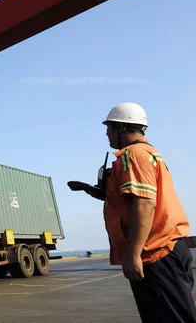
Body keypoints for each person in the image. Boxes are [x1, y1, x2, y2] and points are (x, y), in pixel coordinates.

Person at [68, 102, 196, 322]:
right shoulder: (147, 153)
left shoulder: (133, 155)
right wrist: (92, 190)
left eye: (109, 128)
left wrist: (133, 254)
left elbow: (145, 203)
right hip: (167, 249)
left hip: (157, 253)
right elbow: (129, 199)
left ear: (121, 128)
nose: (107, 133)